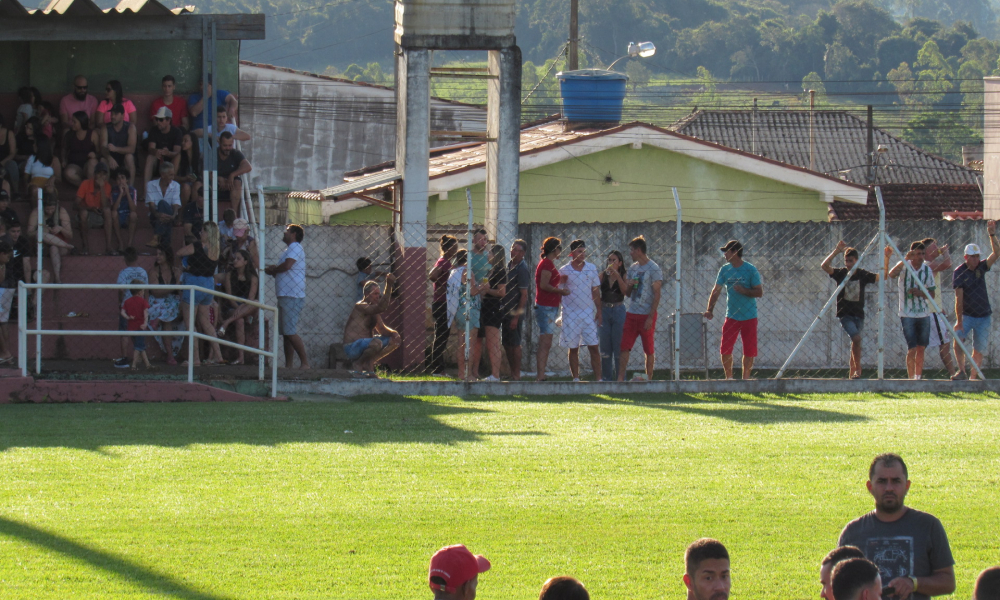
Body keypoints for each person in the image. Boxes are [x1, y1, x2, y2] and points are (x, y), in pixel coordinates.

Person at [838, 453, 955, 600]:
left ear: (907, 486)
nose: (889, 488)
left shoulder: (928, 526)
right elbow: (838, 587)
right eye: (882, 481)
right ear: (870, 486)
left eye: (896, 481)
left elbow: (948, 582)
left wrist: (914, 583)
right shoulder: (852, 533)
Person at [821, 241, 879, 379]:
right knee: (856, 338)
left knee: (856, 342)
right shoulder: (841, 273)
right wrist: (836, 251)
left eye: (851, 261)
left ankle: (852, 373)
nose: (848, 264)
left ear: (857, 261)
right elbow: (824, 266)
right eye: (846, 261)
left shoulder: (862, 274)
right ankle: (858, 370)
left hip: (859, 314)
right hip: (845, 314)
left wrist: (886, 259)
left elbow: (881, 277)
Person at [705, 239, 761, 380]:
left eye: (727, 251)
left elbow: (759, 292)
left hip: (749, 316)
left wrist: (744, 290)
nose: (724, 254)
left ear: (735, 252)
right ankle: (729, 378)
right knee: (725, 348)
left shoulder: (750, 269)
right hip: (731, 316)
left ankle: (745, 379)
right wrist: (710, 309)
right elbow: (716, 290)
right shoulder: (724, 270)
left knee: (749, 350)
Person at [954, 221, 1000, 380]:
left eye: (977, 256)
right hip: (967, 315)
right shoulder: (959, 273)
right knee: (957, 339)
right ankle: (962, 371)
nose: (975, 259)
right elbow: (958, 299)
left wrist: (992, 234)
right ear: (966, 257)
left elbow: (996, 253)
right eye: (972, 257)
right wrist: (959, 321)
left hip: (984, 316)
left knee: (978, 348)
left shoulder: (982, 267)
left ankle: (973, 378)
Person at [177, 222, 225, 366]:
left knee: (190, 324)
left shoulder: (198, 246)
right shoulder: (216, 249)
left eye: (202, 231)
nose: (200, 233)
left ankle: (195, 359)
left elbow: (179, 252)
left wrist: (186, 265)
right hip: (208, 285)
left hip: (194, 283)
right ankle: (218, 355)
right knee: (206, 323)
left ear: (207, 233)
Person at [886, 241, 936, 380]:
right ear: (912, 254)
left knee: (921, 348)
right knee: (912, 348)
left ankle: (918, 377)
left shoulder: (927, 270)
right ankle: (910, 378)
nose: (920, 257)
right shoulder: (905, 266)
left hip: (923, 313)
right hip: (907, 313)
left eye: (922, 253)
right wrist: (904, 259)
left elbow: (932, 294)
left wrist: (921, 293)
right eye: (917, 254)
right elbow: (891, 274)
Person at [265, 224, 310, 369]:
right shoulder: (288, 250)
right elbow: (284, 267)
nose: (284, 233)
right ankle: (289, 365)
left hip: (292, 294)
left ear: (294, 234)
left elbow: (287, 266)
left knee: (289, 331)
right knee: (286, 332)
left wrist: (274, 269)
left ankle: (305, 363)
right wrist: (274, 269)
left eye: (287, 231)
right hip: (286, 294)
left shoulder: (295, 247)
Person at [619, 235, 664, 382]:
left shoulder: (654, 268)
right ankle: (620, 378)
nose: (630, 253)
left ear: (639, 250)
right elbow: (627, 293)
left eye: (632, 250)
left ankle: (649, 379)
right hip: (632, 313)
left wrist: (651, 317)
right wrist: (630, 284)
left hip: (646, 314)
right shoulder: (633, 268)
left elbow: (657, 294)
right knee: (624, 346)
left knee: (648, 349)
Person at [558, 239, 602, 382]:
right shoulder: (564, 270)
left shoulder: (591, 268)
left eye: (584, 251)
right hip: (570, 314)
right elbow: (559, 291)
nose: (582, 254)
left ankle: (599, 379)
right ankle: (576, 378)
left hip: (588, 313)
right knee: (573, 347)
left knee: (594, 347)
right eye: (579, 251)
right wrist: (561, 313)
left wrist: (599, 310)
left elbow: (595, 291)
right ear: (572, 253)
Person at [342, 274, 400, 374]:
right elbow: (382, 308)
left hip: (367, 344)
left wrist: (394, 333)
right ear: (367, 294)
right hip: (352, 347)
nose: (378, 297)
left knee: (394, 340)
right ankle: (358, 363)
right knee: (377, 343)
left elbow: (382, 329)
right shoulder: (361, 306)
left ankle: (369, 362)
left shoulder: (374, 310)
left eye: (379, 294)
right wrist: (389, 285)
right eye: (375, 294)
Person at [920, 238, 959, 379]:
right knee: (944, 344)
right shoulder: (929, 265)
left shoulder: (927, 266)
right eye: (934, 247)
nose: (937, 248)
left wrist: (940, 307)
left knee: (922, 345)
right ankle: (953, 373)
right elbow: (948, 264)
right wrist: (946, 252)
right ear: (927, 251)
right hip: (932, 313)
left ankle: (916, 374)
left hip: (933, 310)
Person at [535, 237, 570, 381]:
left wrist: (559, 280)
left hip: (550, 306)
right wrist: (560, 291)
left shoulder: (548, 264)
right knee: (545, 342)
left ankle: (541, 374)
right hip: (546, 306)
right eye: (559, 248)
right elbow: (544, 285)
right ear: (555, 249)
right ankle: (540, 375)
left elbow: (548, 282)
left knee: (547, 341)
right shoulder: (547, 264)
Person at [216, 249, 259, 365]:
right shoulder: (230, 275)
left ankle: (227, 322)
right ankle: (241, 357)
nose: (235, 261)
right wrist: (238, 308)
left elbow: (250, 299)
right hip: (232, 306)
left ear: (245, 262)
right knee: (239, 320)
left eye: (238, 258)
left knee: (255, 302)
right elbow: (230, 297)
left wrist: (241, 308)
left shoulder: (253, 278)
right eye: (234, 258)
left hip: (247, 306)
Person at [448, 250, 482, 382]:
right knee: (470, 344)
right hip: (471, 309)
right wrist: (482, 287)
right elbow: (472, 291)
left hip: (458, 309)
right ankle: (469, 374)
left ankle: (461, 373)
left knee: (461, 342)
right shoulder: (468, 272)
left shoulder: (453, 272)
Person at [475, 244, 507, 382]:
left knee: (493, 342)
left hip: (493, 308)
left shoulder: (500, 271)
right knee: (488, 342)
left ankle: (495, 375)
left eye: (490, 253)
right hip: (486, 306)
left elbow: (502, 292)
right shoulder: (491, 270)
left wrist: (487, 291)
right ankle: (492, 374)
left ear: (496, 255)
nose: (487, 255)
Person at [112, 247, 148, 369]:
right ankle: (139, 357)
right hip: (140, 305)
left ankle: (124, 358)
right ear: (137, 257)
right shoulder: (143, 272)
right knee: (138, 332)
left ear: (125, 259)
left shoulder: (123, 273)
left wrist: (119, 301)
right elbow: (146, 289)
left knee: (125, 332)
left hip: (128, 305)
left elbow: (121, 290)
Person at [428, 234, 459, 374]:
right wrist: (442, 284)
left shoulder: (447, 262)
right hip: (441, 303)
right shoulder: (443, 262)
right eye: (454, 248)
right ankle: (437, 368)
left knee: (442, 335)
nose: (456, 250)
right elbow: (432, 275)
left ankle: (437, 366)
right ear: (447, 248)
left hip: (443, 302)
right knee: (441, 335)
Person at [26, 194, 74, 283]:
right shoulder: (36, 212)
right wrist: (42, 229)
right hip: (42, 246)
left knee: (54, 248)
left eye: (52, 209)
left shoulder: (61, 211)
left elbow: (70, 235)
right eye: (47, 209)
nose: (50, 211)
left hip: (60, 247)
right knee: (40, 234)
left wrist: (61, 228)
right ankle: (67, 246)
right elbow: (29, 233)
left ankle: (57, 278)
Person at [147, 244, 181, 366]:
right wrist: (173, 288)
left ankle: (160, 319)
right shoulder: (154, 272)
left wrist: (169, 290)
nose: (158, 256)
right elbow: (155, 292)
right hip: (158, 303)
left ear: (167, 255)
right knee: (168, 316)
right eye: (157, 254)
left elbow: (180, 289)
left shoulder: (176, 270)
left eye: (160, 254)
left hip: (172, 303)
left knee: (173, 305)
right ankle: (170, 356)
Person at [502, 239, 530, 381]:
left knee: (515, 344)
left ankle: (517, 374)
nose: (514, 252)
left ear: (523, 253)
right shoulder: (509, 266)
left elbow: (524, 295)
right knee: (506, 343)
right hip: (504, 310)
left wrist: (516, 317)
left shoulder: (522, 269)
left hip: (515, 312)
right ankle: (512, 372)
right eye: (513, 248)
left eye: (517, 250)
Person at [74, 162, 115, 256]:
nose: (101, 176)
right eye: (99, 173)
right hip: (85, 216)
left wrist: (102, 187)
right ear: (94, 174)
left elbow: (104, 205)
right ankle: (85, 246)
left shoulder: (107, 186)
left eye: (104, 174)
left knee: (108, 211)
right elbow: (75, 205)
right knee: (83, 213)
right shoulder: (86, 183)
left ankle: (109, 246)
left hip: (99, 217)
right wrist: (90, 208)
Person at [599, 250, 627, 381]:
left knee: (619, 345)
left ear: (620, 263)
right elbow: (593, 288)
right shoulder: (603, 275)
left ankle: (620, 378)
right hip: (605, 310)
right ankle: (606, 378)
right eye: (609, 260)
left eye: (614, 260)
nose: (610, 263)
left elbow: (625, 291)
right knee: (605, 346)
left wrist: (617, 276)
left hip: (618, 309)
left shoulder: (623, 275)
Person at [143, 107, 183, 198]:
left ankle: (170, 188)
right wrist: (156, 151)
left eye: (161, 120)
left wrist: (168, 153)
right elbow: (151, 148)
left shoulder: (177, 132)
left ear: (169, 120)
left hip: (171, 163)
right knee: (150, 157)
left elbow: (177, 151)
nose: (158, 122)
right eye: (157, 119)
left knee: (178, 156)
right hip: (158, 162)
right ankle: (146, 193)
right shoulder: (154, 130)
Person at [144, 161, 182, 249]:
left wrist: (173, 215)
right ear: (163, 175)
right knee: (161, 204)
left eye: (173, 175)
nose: (172, 177)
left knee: (162, 205)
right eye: (170, 175)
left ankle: (156, 237)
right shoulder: (150, 185)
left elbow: (175, 204)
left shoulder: (176, 185)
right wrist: (157, 214)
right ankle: (165, 248)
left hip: (169, 215)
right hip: (156, 217)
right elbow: (151, 204)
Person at [100, 103, 136, 185]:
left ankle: (130, 188)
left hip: (124, 159)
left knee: (129, 157)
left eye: (116, 114)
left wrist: (116, 149)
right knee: (103, 160)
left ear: (123, 115)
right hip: (111, 160)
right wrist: (109, 157)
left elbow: (131, 148)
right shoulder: (105, 127)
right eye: (111, 114)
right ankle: (106, 190)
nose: (112, 116)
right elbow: (103, 147)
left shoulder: (130, 127)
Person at [120, 279, 152, 371]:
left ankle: (148, 365)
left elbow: (122, 311)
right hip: (140, 327)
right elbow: (146, 312)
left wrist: (127, 317)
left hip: (131, 327)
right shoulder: (143, 301)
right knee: (138, 347)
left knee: (140, 345)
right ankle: (134, 366)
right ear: (140, 291)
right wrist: (145, 323)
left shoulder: (127, 301)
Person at [62, 111, 99, 187]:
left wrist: (95, 155)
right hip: (74, 165)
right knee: (68, 173)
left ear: (81, 122)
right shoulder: (69, 134)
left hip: (87, 165)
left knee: (92, 163)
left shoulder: (92, 134)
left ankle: (90, 188)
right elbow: (64, 149)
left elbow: (99, 151)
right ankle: (86, 187)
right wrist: (63, 160)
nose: (72, 123)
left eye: (74, 122)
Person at [216, 132, 251, 202]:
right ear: (219, 143)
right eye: (225, 145)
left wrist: (232, 175)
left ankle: (234, 212)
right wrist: (218, 178)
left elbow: (248, 166)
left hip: (231, 186)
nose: (228, 148)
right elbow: (204, 173)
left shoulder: (235, 153)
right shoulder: (213, 153)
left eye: (230, 145)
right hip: (215, 185)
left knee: (237, 182)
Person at [110, 167, 138, 251]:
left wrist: (127, 194)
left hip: (127, 217)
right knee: (114, 213)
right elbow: (113, 208)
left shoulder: (133, 190)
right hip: (118, 217)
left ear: (126, 180)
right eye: (118, 179)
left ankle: (129, 244)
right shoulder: (114, 191)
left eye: (122, 178)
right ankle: (120, 243)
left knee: (134, 215)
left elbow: (133, 209)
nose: (121, 181)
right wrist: (121, 194)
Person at [177, 131, 202, 208]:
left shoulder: (201, 157)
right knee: (186, 187)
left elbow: (204, 175)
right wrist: (185, 178)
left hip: (197, 183)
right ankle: (181, 215)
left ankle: (193, 212)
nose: (183, 143)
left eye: (186, 141)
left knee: (197, 185)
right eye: (182, 141)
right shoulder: (179, 157)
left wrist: (196, 178)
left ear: (193, 142)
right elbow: (172, 176)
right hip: (182, 184)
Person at [0, 240, 16, 364]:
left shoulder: (3, 264)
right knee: (3, 321)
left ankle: (5, 352)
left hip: (3, 289)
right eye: (7, 255)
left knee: (2, 321)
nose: (9, 258)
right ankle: (6, 354)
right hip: (7, 288)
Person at [0, 114, 16, 195]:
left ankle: (16, 192)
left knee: (12, 165)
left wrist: (2, 163)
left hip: (6, 161)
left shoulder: (9, 133)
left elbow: (12, 153)